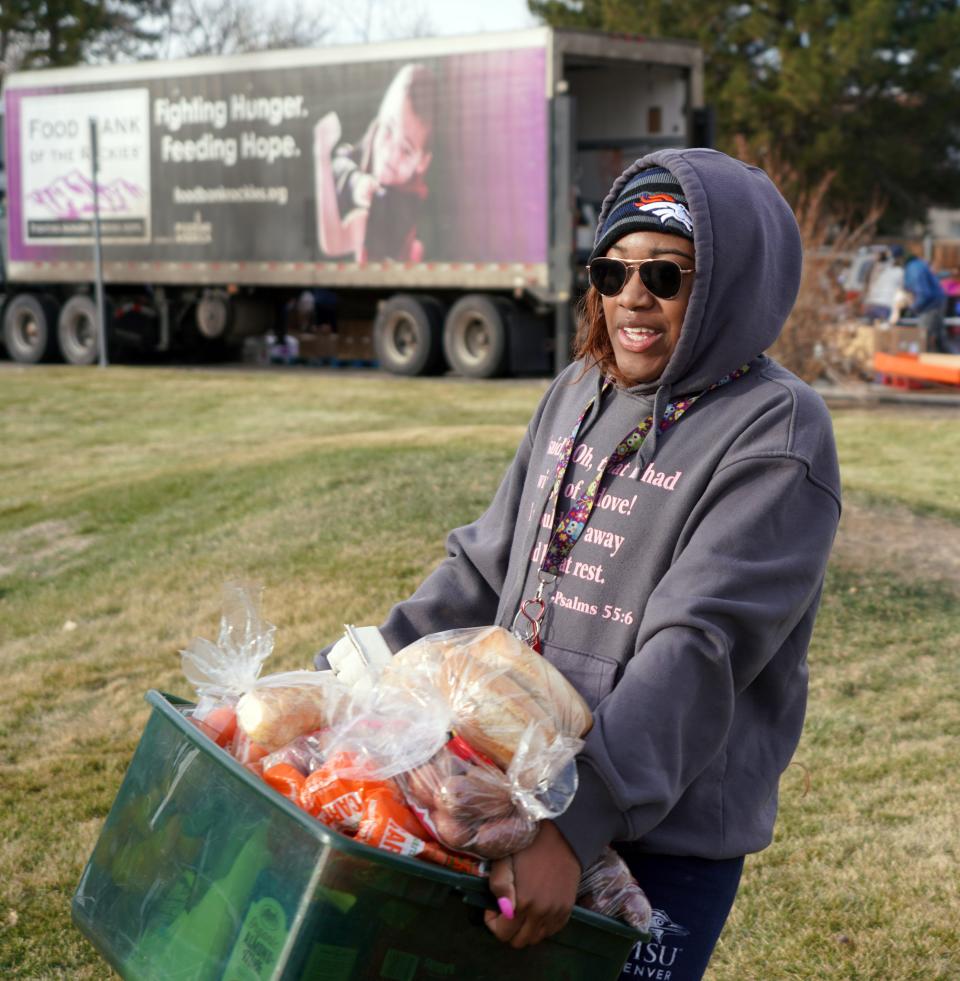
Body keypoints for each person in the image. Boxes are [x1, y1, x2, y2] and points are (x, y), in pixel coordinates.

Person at [316, 149, 841, 980]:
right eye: (613, 269)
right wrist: (341, 682)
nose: (633, 295)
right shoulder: (576, 390)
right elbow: (486, 566)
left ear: (728, 289)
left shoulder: (774, 429)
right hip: (510, 793)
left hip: (650, 830)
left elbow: (699, 647)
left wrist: (571, 824)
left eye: (667, 276)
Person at [313, 63, 435, 263]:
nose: (390, 154)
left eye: (406, 150)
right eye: (388, 130)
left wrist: (321, 156)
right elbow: (341, 163)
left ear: (423, 162)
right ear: (379, 120)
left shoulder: (404, 204)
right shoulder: (363, 151)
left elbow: (334, 241)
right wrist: (355, 182)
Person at [891, 244, 948, 351]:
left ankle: (928, 362)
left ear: (899, 258)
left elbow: (924, 294)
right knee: (939, 339)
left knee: (923, 337)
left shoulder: (913, 269)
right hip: (936, 301)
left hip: (931, 305)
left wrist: (912, 308)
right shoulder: (914, 265)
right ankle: (949, 361)